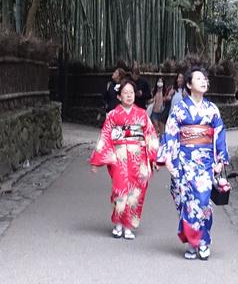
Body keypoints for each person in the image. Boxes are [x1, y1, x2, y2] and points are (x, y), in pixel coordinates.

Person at [160, 65, 230, 261]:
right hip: (183, 162)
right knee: (186, 202)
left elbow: (219, 135)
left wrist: (220, 160)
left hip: (205, 163)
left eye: (205, 79)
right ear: (189, 84)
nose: (203, 81)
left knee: (202, 201)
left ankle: (203, 241)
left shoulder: (212, 110)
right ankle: (193, 242)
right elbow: (171, 133)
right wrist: (169, 159)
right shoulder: (180, 109)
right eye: (199, 79)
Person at [90, 79, 159, 240]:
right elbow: (105, 137)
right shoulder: (113, 115)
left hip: (139, 158)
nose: (129, 96)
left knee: (136, 192)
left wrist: (154, 158)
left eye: (131, 93)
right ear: (119, 96)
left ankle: (128, 226)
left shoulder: (142, 114)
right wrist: (96, 161)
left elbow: (151, 135)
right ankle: (118, 223)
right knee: (120, 190)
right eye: (125, 93)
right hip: (119, 156)